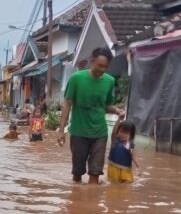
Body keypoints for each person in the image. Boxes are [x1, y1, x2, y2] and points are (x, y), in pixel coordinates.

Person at [57, 47, 125, 185]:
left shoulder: (110, 81)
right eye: (100, 65)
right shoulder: (76, 78)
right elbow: (68, 104)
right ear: (92, 61)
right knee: (77, 174)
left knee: (95, 173)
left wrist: (117, 110)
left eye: (106, 66)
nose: (102, 69)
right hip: (78, 132)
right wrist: (61, 130)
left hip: (99, 132)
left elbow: (105, 106)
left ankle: (92, 203)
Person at [107, 116, 141, 183]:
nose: (123, 135)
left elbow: (133, 156)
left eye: (126, 133)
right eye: (121, 132)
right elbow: (113, 132)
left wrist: (138, 167)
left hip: (126, 169)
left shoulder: (131, 145)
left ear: (131, 134)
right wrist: (119, 119)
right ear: (118, 131)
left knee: (127, 184)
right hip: (114, 168)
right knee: (114, 185)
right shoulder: (114, 140)